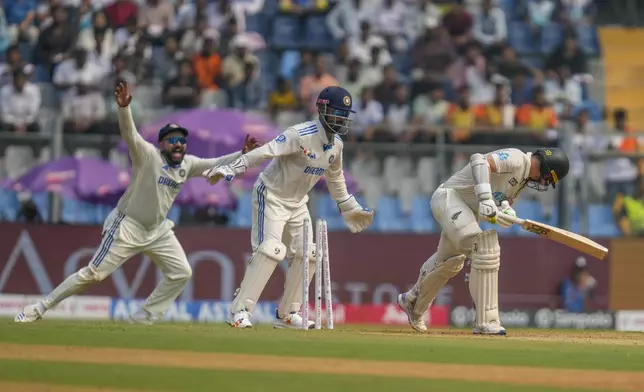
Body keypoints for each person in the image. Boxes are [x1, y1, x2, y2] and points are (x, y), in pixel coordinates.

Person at [14, 82, 259, 325]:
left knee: (181, 272)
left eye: (181, 141)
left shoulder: (188, 164)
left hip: (157, 231)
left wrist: (242, 153)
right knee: (93, 274)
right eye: (172, 140)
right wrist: (124, 110)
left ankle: (143, 318)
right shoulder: (148, 156)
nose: (178, 144)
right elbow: (130, 134)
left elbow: (215, 163)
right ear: (162, 144)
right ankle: (38, 308)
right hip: (127, 226)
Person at [203, 86, 375, 329]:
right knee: (272, 249)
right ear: (323, 109)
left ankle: (288, 314)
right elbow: (265, 152)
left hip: (297, 203)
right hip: (271, 195)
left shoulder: (337, 145)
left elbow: (336, 180)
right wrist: (232, 167)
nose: (341, 119)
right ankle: (239, 311)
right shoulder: (299, 134)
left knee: (311, 254)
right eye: (337, 113)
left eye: (344, 114)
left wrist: (349, 207)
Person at [397, 147, 570, 335]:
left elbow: (499, 203)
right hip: (450, 197)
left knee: (449, 262)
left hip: (468, 211)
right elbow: (480, 160)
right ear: (546, 168)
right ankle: (486, 321)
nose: (544, 182)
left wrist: (504, 212)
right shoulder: (517, 158)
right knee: (484, 248)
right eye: (548, 178)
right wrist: (486, 198)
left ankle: (413, 302)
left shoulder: (521, 182)